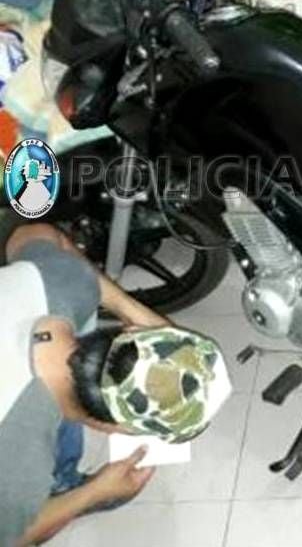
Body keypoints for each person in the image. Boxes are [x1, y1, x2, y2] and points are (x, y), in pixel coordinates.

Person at [0, 223, 232, 546]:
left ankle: (63, 478)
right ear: (116, 426)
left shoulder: (60, 284)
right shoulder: (16, 454)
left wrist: (129, 308)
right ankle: (65, 488)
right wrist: (95, 492)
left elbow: (29, 233)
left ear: (129, 332)